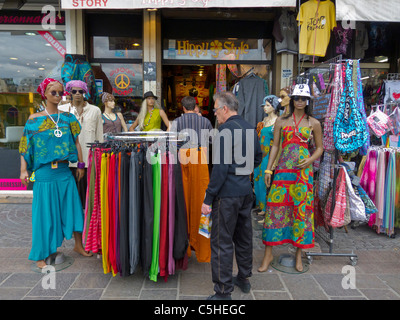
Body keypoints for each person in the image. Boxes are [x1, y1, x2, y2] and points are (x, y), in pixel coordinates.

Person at [19, 78, 91, 269]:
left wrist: (81, 165)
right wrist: (23, 169)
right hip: (44, 173)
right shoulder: (34, 120)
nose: (58, 96)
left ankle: (78, 245)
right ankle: (41, 254)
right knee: (44, 215)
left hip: (64, 171)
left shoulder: (68, 118)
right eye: (54, 92)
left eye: (61, 93)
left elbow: (76, 142)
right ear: (44, 94)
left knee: (74, 209)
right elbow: (25, 145)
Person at [201, 91, 262, 300]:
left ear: (225, 108)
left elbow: (219, 169)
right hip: (245, 191)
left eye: (216, 110)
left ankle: (223, 292)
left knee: (222, 242)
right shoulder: (250, 128)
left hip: (227, 195)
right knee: (244, 238)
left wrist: (208, 198)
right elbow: (257, 158)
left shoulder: (225, 130)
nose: (215, 114)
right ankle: (244, 278)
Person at [258, 84, 323, 273]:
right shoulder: (281, 121)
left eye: (304, 98)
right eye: (297, 98)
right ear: (292, 99)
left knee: (300, 211)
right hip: (283, 170)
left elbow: (319, 148)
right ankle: (268, 253)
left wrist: (310, 160)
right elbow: (275, 147)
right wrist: (268, 170)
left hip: (303, 174)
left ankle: (298, 254)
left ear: (308, 101)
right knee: (274, 208)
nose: (300, 101)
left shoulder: (313, 123)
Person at [171, 96, 213, 263]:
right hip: (200, 160)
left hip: (182, 160)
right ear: (195, 107)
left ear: (183, 108)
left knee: (182, 203)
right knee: (201, 203)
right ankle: (202, 248)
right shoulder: (205, 122)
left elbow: (171, 143)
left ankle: (184, 246)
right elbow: (211, 140)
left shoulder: (176, 122)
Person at [59, 80, 104, 208]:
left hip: (89, 161)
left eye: (80, 91)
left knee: (88, 198)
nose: (77, 94)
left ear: (85, 92)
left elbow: (99, 137)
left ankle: (85, 224)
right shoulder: (61, 110)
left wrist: (98, 160)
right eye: (74, 91)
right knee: (68, 198)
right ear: (70, 92)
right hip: (67, 161)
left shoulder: (95, 110)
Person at [254, 95, 280, 218]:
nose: (265, 107)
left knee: (265, 180)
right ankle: (260, 205)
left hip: (269, 154)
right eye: (264, 105)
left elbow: (277, 142)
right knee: (257, 178)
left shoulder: (277, 122)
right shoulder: (264, 121)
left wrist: (274, 161)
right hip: (260, 153)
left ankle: (266, 209)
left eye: (268, 105)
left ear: (274, 107)